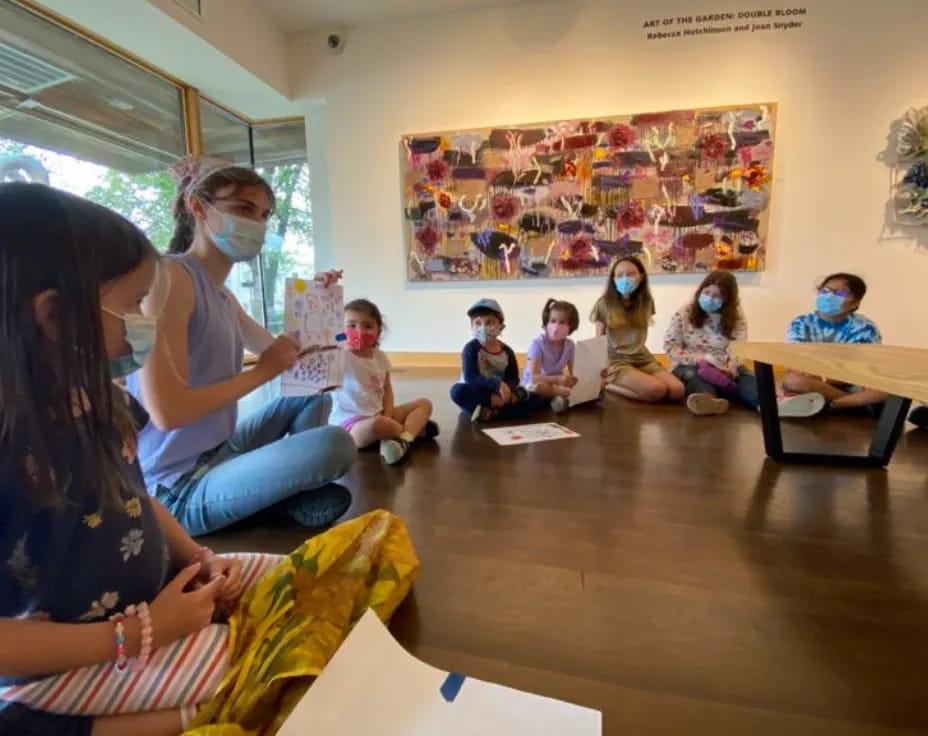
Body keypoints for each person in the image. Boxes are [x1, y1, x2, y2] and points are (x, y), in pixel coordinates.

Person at [0, 183, 418, 736]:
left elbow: (137, 498)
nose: (139, 321)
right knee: (282, 672)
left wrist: (197, 559)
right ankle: (43, 724)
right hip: (94, 647)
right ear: (53, 315)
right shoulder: (17, 448)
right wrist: (147, 631)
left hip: (165, 586)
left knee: (341, 567)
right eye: (130, 307)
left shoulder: (99, 400)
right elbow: (173, 414)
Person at [128, 156, 356, 536]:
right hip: (176, 489)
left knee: (313, 398)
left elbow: (290, 359)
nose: (257, 225)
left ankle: (268, 493)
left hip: (221, 449)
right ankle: (273, 494)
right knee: (335, 444)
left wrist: (316, 301)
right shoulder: (170, 278)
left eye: (264, 215)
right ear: (198, 208)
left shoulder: (222, 296)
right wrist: (263, 370)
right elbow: (167, 412)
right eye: (243, 210)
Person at [664, 271, 824, 417]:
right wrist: (698, 358)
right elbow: (671, 347)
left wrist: (732, 366)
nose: (710, 298)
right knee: (693, 377)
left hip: (724, 364)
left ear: (727, 300)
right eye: (707, 293)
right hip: (690, 363)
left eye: (717, 296)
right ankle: (709, 401)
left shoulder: (736, 316)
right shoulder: (684, 312)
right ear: (700, 291)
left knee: (747, 378)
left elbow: (739, 347)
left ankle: (770, 405)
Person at [329, 299, 437, 464]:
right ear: (341, 330)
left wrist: (387, 415)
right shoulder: (341, 357)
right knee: (377, 425)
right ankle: (411, 432)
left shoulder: (380, 356)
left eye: (368, 326)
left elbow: (387, 389)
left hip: (379, 413)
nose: (359, 331)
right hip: (351, 426)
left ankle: (403, 439)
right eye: (351, 325)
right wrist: (384, 421)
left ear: (378, 332)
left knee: (424, 403)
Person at [782, 273, 887, 414]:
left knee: (890, 389)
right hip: (816, 380)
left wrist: (849, 378)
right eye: (825, 291)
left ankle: (835, 404)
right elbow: (794, 358)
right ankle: (857, 404)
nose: (830, 296)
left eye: (841, 293)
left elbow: (870, 364)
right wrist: (821, 376)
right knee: (792, 380)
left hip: (852, 381)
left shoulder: (865, 327)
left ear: (855, 303)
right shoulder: (801, 322)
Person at [591, 256, 684, 403]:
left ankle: (640, 384)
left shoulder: (646, 301)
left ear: (641, 277)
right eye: (620, 275)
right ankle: (609, 385)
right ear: (613, 279)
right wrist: (599, 370)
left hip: (642, 357)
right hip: (616, 360)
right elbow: (597, 340)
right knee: (657, 390)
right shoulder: (604, 304)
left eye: (630, 274)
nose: (625, 278)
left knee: (677, 390)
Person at [450, 298, 549, 422]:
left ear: (501, 327)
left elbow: (513, 378)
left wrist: (508, 389)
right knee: (457, 391)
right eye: (478, 323)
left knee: (536, 398)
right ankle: (502, 410)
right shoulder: (470, 349)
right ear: (471, 327)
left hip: (503, 394)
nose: (483, 327)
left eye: (490, 322)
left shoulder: (507, 352)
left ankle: (491, 413)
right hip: (479, 393)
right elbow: (471, 377)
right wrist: (496, 385)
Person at [523, 299, 580, 414]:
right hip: (535, 384)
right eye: (553, 321)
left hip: (556, 385)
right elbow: (534, 377)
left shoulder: (570, 345)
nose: (556, 326)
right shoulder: (537, 344)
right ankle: (561, 397)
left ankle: (557, 398)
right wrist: (559, 380)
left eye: (562, 322)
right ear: (546, 323)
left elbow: (576, 372)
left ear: (571, 325)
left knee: (596, 385)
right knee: (540, 387)